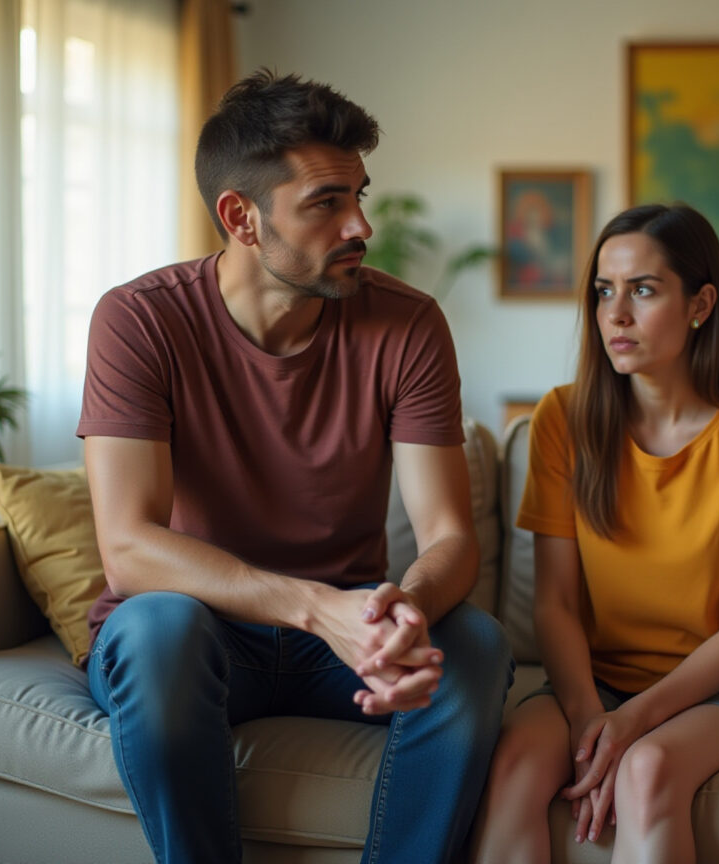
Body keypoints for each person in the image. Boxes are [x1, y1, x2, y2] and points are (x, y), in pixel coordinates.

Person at [78, 70, 512, 864]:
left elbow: (450, 534)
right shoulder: (140, 320)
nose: (360, 226)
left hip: (342, 644)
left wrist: (403, 614)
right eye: (325, 203)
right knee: (157, 627)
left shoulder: (408, 325)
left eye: (360, 196)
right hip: (199, 632)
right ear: (241, 218)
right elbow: (129, 548)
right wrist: (319, 609)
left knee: (475, 644)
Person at [472, 203, 719, 864]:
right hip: (597, 681)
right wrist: (588, 722)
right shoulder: (563, 417)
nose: (616, 315)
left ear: (701, 303)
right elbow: (556, 603)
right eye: (604, 291)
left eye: (644, 290)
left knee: (647, 769)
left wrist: (632, 725)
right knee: (514, 762)